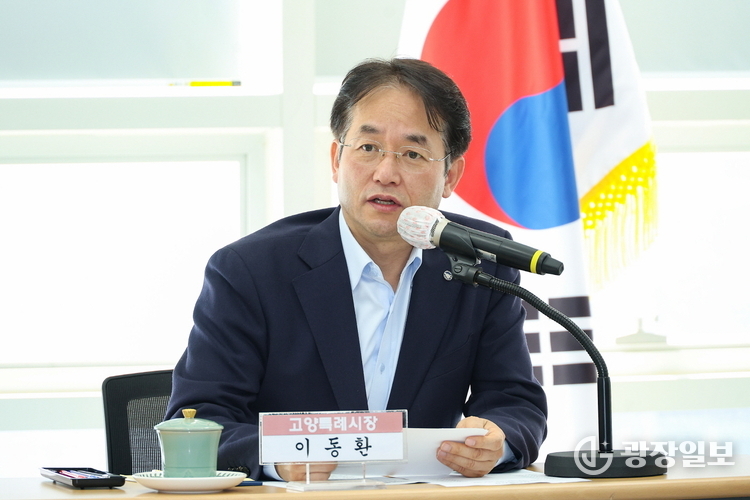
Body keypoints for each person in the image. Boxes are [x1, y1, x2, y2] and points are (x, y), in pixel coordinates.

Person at [166, 57, 547, 482]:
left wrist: (496, 440)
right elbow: (199, 417)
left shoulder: (479, 262)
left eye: (413, 153)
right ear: (336, 159)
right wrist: (280, 457)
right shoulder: (249, 271)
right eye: (368, 148)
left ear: (450, 176)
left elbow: (514, 401)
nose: (386, 173)